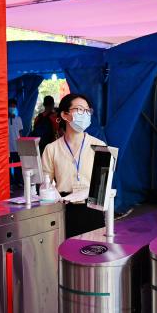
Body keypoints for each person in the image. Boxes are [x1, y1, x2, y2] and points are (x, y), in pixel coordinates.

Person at [42, 94, 106, 237]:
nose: (85, 114)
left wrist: (87, 193)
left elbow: (103, 186)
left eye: (87, 110)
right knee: (64, 249)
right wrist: (53, 194)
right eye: (80, 109)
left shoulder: (100, 146)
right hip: (63, 209)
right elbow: (45, 183)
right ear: (65, 115)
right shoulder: (51, 149)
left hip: (92, 209)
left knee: (93, 248)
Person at [8, 98, 24, 187]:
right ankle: (9, 182)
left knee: (18, 166)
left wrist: (21, 145)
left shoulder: (18, 119)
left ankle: (18, 182)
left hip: (17, 147)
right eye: (11, 106)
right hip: (7, 148)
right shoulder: (3, 120)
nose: (12, 108)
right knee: (7, 166)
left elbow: (21, 132)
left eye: (14, 107)